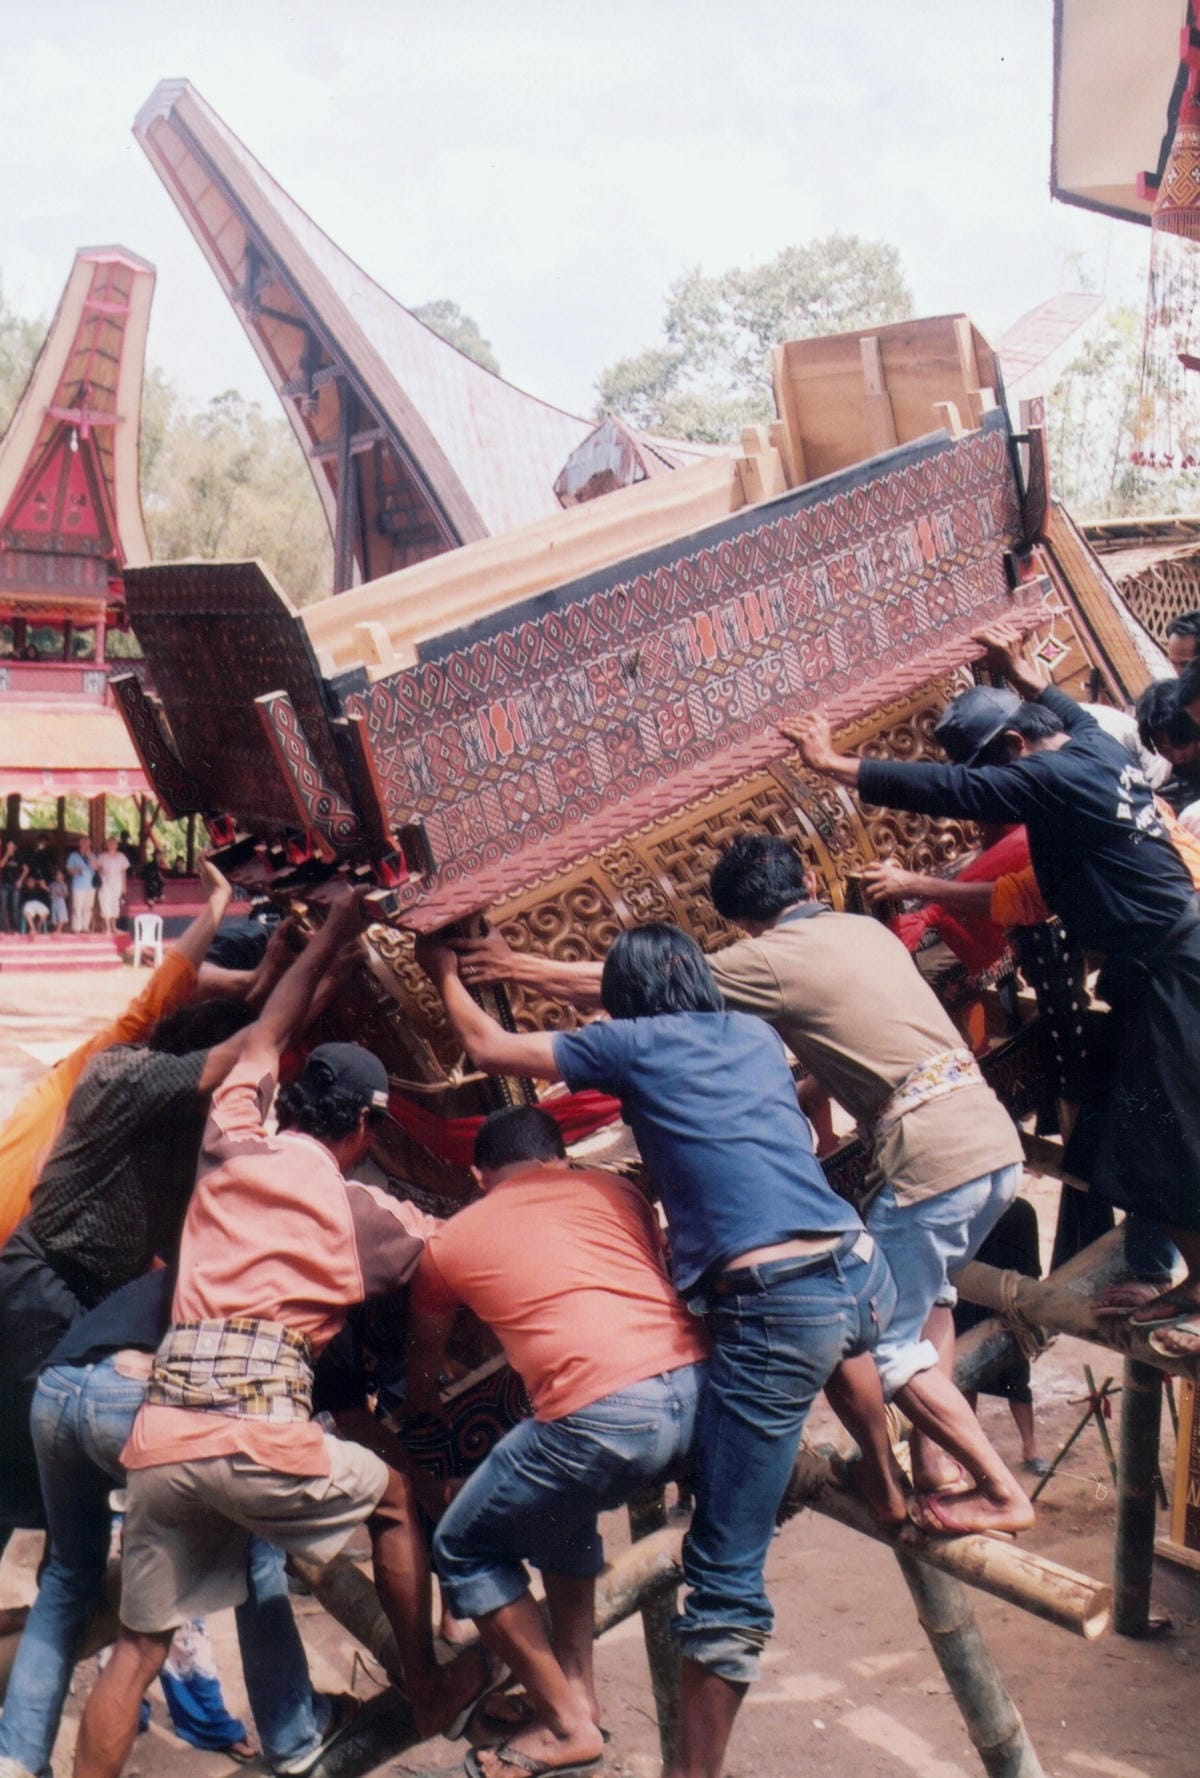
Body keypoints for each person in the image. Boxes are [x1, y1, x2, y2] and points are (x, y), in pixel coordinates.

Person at [418, 922, 896, 1778]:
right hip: (854, 1266)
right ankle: (892, 1487)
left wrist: (443, 972)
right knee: (845, 1345)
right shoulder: (750, 1032)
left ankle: (658, 1759)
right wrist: (521, 964)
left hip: (760, 1314)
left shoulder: (630, 1050)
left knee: (723, 1572)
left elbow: (487, 1046)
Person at [454, 837, 1033, 1539]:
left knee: (881, 1346)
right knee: (924, 1302)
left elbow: (644, 984)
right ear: (809, 879)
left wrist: (514, 967)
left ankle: (998, 1489)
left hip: (928, 1157)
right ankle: (933, 1466)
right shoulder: (863, 931)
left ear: (738, 923)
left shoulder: (770, 961)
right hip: (989, 1139)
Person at [74, 903, 497, 1778]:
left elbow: (267, 1030)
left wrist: (334, 930)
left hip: (162, 1434)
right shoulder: (368, 1211)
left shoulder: (232, 1139)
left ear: (294, 1100)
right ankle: (425, 1683)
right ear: (365, 1130)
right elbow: (462, 1248)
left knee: (136, 1654)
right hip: (259, 1435)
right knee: (392, 1498)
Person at [783, 617, 1200, 1363]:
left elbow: (948, 789)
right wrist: (1019, 668)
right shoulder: (1093, 745)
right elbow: (1060, 712)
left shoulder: (1052, 777)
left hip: (1178, 966)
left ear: (1014, 749)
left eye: (999, 785)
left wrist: (833, 764)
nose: (994, 804)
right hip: (1166, 964)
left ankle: (1196, 1287)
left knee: (1163, 1134)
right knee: (1134, 1131)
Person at [404, 1105, 709, 1778]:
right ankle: (578, 1697)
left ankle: (567, 1725)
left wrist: (422, 1409)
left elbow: (423, 1363)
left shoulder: (451, 1241)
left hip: (604, 1413)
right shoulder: (619, 1192)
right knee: (560, 1519)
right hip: (700, 1394)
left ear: (480, 1176)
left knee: (462, 1546)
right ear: (562, 1157)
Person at [0, 861, 259, 1548]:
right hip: (28, 1274)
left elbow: (171, 987)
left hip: (31, 1269)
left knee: (27, 1471)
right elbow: (166, 994)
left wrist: (223, 916)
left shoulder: (93, 1072)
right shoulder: (113, 1069)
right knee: (37, 1472)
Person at [0, 1268, 348, 1778]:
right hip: (133, 1393)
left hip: (60, 1384)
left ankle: (16, 1761)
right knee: (249, 1555)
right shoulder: (301, 1291)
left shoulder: (206, 1257)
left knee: (69, 1577)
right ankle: (292, 1732)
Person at [96, 837, 130, 936]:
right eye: (110, 843)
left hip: (117, 883)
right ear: (107, 845)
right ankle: (108, 928)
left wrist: (124, 885)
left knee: (115, 904)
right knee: (105, 904)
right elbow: (97, 868)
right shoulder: (102, 856)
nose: (111, 845)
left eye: (114, 843)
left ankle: (114, 927)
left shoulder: (121, 856)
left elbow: (123, 872)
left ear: (117, 845)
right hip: (105, 884)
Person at [65, 839, 97, 934]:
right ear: (80, 844)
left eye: (88, 844)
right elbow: (69, 870)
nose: (86, 846)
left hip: (91, 886)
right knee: (77, 907)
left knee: (88, 907)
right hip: (78, 886)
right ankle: (77, 928)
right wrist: (77, 870)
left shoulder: (92, 855)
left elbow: (96, 868)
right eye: (84, 844)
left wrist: (89, 856)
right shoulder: (74, 856)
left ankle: (85, 927)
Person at [0, 839, 25, 935]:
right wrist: (7, 854)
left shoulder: (19, 857)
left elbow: (26, 869)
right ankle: (4, 929)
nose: (9, 847)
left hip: (15, 885)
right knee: (3, 907)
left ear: (15, 847)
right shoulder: (4, 855)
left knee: (15, 907)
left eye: (11, 845)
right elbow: (1, 865)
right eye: (8, 845)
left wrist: (20, 880)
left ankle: (16, 929)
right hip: (5, 884)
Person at [49, 868, 70, 935]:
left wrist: (61, 893)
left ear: (63, 876)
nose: (58, 876)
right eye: (57, 875)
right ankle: (56, 930)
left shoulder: (64, 885)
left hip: (60, 902)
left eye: (60, 875)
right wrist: (44, 886)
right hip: (54, 902)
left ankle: (59, 930)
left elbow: (66, 894)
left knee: (61, 916)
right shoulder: (53, 884)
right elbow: (50, 890)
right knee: (55, 916)